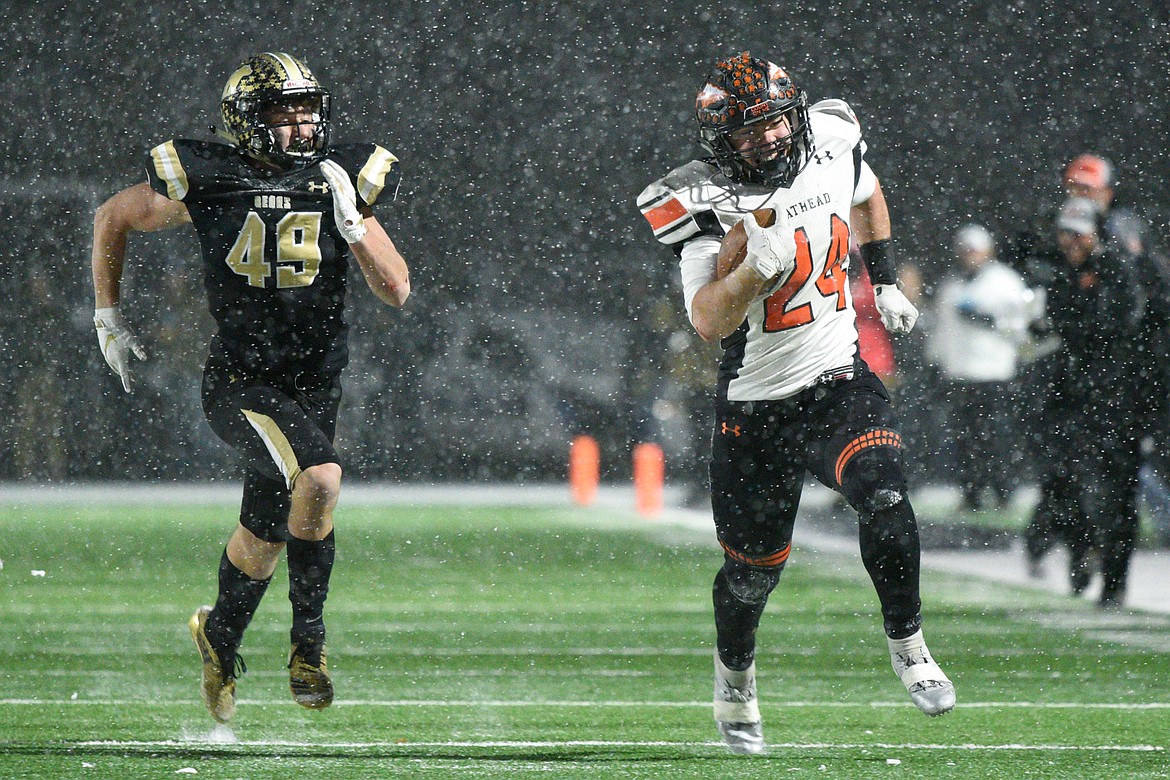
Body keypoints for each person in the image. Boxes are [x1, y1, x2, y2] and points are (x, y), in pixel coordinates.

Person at [636, 52, 954, 755]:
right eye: (748, 133)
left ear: (795, 112)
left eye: (775, 122)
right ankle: (735, 682)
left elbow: (867, 195)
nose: (768, 140)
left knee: (886, 498)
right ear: (721, 142)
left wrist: (886, 277)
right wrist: (752, 269)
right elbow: (710, 320)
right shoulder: (704, 200)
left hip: (839, 378)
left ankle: (908, 643)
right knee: (752, 577)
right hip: (755, 408)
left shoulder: (832, 136)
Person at [90, 52, 410, 723]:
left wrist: (353, 224)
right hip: (241, 381)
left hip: (315, 384)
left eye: (306, 110)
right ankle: (308, 648)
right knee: (319, 480)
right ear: (247, 120)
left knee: (264, 536)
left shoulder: (338, 178)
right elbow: (112, 217)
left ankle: (219, 636)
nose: (300, 126)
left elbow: (397, 288)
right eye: (282, 112)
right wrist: (108, 314)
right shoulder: (210, 177)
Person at [1022, 197, 1144, 608]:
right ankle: (1081, 552)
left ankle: (1113, 579)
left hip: (1114, 400)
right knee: (1064, 484)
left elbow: (1117, 325)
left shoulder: (1115, 271)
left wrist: (1060, 324)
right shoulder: (1060, 276)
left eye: (1078, 233)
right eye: (1065, 233)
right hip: (1073, 398)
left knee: (1116, 493)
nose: (1070, 241)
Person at [926, 225, 1038, 511]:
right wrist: (937, 362)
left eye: (975, 249)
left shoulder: (1005, 282)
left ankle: (1003, 490)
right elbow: (943, 330)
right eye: (965, 250)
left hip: (994, 370)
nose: (970, 255)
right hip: (961, 371)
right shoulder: (951, 285)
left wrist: (988, 319)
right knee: (965, 438)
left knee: (996, 436)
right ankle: (971, 491)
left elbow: (1022, 323)